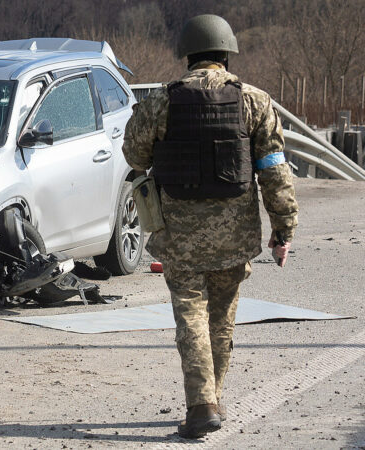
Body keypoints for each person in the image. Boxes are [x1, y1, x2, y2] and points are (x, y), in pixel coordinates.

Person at [121, 14, 299, 439]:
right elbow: (275, 170)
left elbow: (134, 155)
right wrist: (283, 229)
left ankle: (202, 405)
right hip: (234, 237)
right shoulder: (255, 101)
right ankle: (211, 399)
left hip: (179, 236)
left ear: (188, 55)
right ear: (226, 52)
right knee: (220, 319)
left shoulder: (163, 100)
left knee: (191, 318)